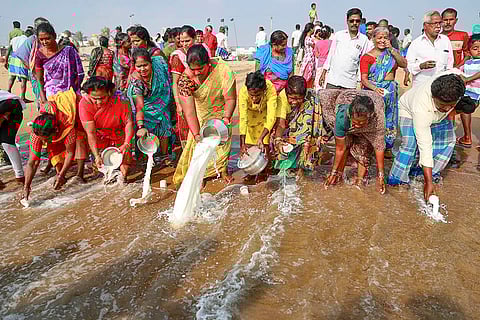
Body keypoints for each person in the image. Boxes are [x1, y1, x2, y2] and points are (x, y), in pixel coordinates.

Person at [387, 72, 473, 200]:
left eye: (451, 105)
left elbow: (457, 73)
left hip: (436, 116)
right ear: (433, 97)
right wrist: (428, 184)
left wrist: (429, 179)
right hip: (409, 110)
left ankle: (425, 173)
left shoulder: (456, 84)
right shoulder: (421, 107)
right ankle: (397, 179)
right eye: (442, 105)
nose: (447, 108)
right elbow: (425, 145)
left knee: (449, 141)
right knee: (409, 146)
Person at [173, 44, 237, 187]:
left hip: (221, 113)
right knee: (198, 149)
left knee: (222, 147)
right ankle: (200, 175)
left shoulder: (223, 70)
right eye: (192, 69)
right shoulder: (185, 81)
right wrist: (196, 134)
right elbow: (189, 112)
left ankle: (223, 171)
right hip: (201, 115)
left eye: (200, 68)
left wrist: (226, 119)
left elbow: (230, 99)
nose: (196, 73)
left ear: (208, 63)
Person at [23, 89, 88, 201]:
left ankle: (80, 174)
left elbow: (70, 152)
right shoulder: (37, 131)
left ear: (56, 131)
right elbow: (32, 162)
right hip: (53, 122)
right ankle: (60, 173)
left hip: (75, 108)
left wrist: (61, 175)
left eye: (47, 139)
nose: (45, 142)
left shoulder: (67, 125)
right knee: (55, 154)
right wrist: (26, 186)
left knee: (80, 138)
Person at [322, 91, 386, 194]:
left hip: (375, 105)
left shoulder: (377, 120)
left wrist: (381, 176)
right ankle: (338, 175)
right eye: (355, 122)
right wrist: (333, 172)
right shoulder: (342, 116)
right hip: (346, 98)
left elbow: (379, 147)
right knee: (346, 144)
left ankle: (360, 182)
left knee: (364, 149)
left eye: (361, 122)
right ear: (350, 115)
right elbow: (340, 148)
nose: (358, 125)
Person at [360, 27, 407, 157]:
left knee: (389, 117)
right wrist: (375, 89)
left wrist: (392, 49)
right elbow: (364, 79)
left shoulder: (392, 53)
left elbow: (403, 64)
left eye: (385, 38)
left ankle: (387, 146)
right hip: (373, 91)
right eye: (379, 37)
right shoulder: (367, 57)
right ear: (373, 39)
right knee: (372, 118)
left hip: (390, 90)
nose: (382, 40)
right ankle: (370, 145)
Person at [79, 77, 134, 183]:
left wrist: (126, 143)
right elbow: (91, 133)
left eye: (102, 98)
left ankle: (123, 180)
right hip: (100, 135)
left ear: (109, 93)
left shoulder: (121, 100)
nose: (98, 102)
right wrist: (96, 155)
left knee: (124, 162)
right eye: (94, 99)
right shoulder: (84, 104)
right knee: (101, 168)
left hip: (119, 132)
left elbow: (129, 123)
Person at [127, 49, 173, 157]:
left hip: (161, 102)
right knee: (145, 131)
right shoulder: (136, 83)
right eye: (139, 66)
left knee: (165, 122)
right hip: (145, 109)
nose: (142, 69)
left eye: (145, 65)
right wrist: (140, 126)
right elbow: (140, 107)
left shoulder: (159, 65)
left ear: (151, 63)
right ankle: (149, 156)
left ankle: (164, 155)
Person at [170, 25, 211, 148]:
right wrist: (178, 103)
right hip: (186, 98)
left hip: (203, 98)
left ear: (194, 39)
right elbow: (175, 83)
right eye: (181, 41)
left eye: (187, 41)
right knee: (189, 128)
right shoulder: (178, 57)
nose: (184, 44)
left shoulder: (203, 51)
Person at [274, 76, 324, 177]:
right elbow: (281, 123)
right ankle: (289, 167)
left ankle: (304, 165)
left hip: (305, 130)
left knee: (306, 137)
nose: (295, 102)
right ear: (287, 94)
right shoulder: (282, 98)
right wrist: (278, 139)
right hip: (288, 127)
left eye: (299, 99)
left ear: (304, 95)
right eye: (292, 98)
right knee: (285, 145)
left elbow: (308, 125)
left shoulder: (310, 99)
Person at [441, 8, 471, 148]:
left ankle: (467, 136)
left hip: (458, 76)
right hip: (442, 77)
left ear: (455, 20)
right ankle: (447, 138)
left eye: (450, 19)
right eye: (445, 19)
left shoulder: (463, 35)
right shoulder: (438, 37)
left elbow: (468, 54)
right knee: (446, 107)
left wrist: (458, 68)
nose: (447, 22)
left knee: (464, 106)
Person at [319, 8, 369, 89]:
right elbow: (331, 54)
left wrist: (360, 81)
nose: (354, 23)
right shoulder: (339, 35)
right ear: (347, 21)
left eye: (357, 21)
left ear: (360, 22)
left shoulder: (364, 40)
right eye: (351, 21)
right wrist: (324, 72)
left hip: (350, 84)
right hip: (333, 81)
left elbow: (362, 62)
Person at [34, 22, 84, 102]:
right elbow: (39, 79)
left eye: (47, 38)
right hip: (52, 95)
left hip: (70, 93)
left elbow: (79, 73)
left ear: (54, 36)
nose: (44, 42)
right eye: (41, 40)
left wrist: (73, 90)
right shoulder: (39, 54)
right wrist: (43, 99)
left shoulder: (69, 51)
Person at [238, 71, 278, 168]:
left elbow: (271, 116)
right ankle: (251, 172)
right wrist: (242, 144)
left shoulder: (270, 90)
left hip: (264, 115)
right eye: (251, 95)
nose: (254, 98)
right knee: (248, 147)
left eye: (258, 95)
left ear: (263, 90)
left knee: (264, 146)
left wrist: (261, 137)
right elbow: (243, 118)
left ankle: (264, 171)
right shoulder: (243, 92)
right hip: (250, 115)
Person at [406, 11, 454, 88]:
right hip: (421, 87)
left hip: (441, 87)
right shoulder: (416, 43)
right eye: (435, 23)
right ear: (425, 25)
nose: (438, 26)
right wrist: (421, 66)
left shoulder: (445, 40)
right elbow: (408, 66)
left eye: (440, 23)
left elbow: (450, 63)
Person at [457, 36, 480, 149]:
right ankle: (467, 137)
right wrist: (464, 60)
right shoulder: (468, 63)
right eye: (475, 48)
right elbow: (457, 70)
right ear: (469, 50)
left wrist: (468, 79)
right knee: (465, 112)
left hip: (476, 92)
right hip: (470, 93)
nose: (479, 50)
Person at [0, 91, 26, 186]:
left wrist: (4, 116)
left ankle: (20, 177)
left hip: (13, 108)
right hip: (5, 110)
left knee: (7, 141)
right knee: (5, 141)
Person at [5, 29, 33, 101]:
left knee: (12, 76)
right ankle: (23, 97)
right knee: (24, 79)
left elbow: (8, 50)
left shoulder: (14, 39)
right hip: (22, 59)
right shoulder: (27, 40)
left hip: (13, 58)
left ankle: (8, 91)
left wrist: (6, 61)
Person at [313, 26, 332, 90]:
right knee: (327, 82)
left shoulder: (318, 43)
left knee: (318, 82)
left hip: (320, 64)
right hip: (329, 66)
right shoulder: (332, 43)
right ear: (329, 33)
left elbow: (316, 54)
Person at [299, 23, 316, 88]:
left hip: (307, 59)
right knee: (307, 77)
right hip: (309, 60)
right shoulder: (309, 39)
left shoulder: (306, 38)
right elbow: (315, 46)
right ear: (311, 29)